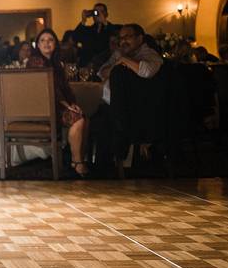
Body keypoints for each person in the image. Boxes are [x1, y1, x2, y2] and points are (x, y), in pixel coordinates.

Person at [96, 24, 164, 167]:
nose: (123, 41)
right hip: (115, 105)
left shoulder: (149, 54)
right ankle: (103, 165)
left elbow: (147, 71)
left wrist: (124, 61)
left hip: (139, 110)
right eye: (121, 38)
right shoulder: (119, 54)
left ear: (140, 38)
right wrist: (119, 62)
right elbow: (102, 73)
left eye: (128, 37)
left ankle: (118, 159)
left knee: (105, 119)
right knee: (97, 117)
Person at [27, 29, 91, 176]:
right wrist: (66, 105)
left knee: (85, 119)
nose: (46, 43)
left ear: (55, 44)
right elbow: (47, 88)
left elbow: (66, 88)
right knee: (78, 120)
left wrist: (72, 103)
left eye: (50, 40)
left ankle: (74, 159)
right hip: (42, 108)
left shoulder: (57, 63)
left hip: (55, 107)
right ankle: (77, 162)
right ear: (37, 45)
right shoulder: (36, 61)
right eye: (42, 40)